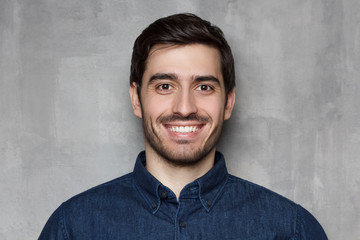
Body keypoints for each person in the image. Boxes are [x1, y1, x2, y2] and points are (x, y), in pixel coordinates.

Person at [39, 13, 327, 239]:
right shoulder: (73, 228)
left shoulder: (292, 230)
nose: (185, 107)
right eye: (165, 86)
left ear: (228, 103)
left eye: (203, 86)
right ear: (136, 99)